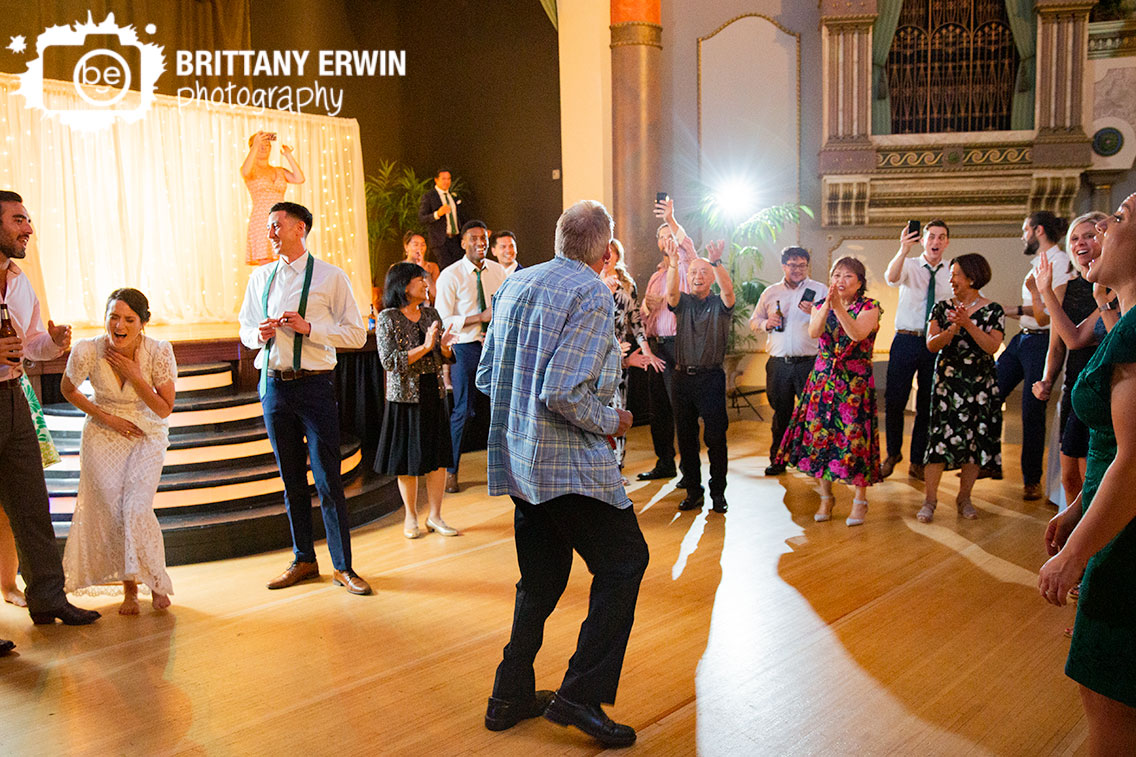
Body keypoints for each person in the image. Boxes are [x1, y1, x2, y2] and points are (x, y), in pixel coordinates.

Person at [477, 200, 648, 748]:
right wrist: (613, 420)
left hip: (523, 466)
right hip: (570, 469)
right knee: (625, 562)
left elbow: (485, 376)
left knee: (542, 579)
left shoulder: (515, 284)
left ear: (558, 240)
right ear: (604, 251)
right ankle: (579, 695)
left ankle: (509, 694)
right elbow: (560, 391)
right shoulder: (592, 293)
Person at [1039, 193, 1136, 755]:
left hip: (1126, 541)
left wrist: (1075, 553)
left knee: (1112, 719)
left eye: (1118, 221)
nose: (1100, 232)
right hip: (1111, 521)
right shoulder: (1125, 323)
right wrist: (1077, 508)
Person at [237, 201, 372, 596]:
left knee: (329, 480)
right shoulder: (260, 278)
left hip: (314, 386)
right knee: (290, 479)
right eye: (269, 227)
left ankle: (343, 567)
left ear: (300, 228)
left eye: (276, 225)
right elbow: (244, 328)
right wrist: (256, 334)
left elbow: (356, 334)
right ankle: (303, 560)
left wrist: (310, 327)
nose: (270, 233)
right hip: (273, 386)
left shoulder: (331, 277)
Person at [0, 190, 100, 638]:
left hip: (12, 397)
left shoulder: (20, 281)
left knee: (32, 503)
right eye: (19, 220)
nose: (29, 229)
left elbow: (33, 344)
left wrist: (53, 341)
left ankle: (48, 598)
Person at [59, 288, 176, 614]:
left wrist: (136, 376)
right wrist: (106, 417)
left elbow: (164, 409)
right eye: (114, 317)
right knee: (114, 512)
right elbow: (67, 389)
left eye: (128, 319)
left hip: (145, 433)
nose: (119, 325)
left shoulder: (158, 352)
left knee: (136, 508)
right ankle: (129, 591)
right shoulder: (87, 350)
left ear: (142, 323)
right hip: (102, 433)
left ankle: (156, 581)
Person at [775, 256, 882, 526]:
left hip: (854, 381)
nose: (840, 281)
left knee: (854, 439)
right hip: (823, 378)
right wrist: (826, 308)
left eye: (847, 276)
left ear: (859, 282)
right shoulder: (821, 304)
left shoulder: (870, 307)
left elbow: (857, 334)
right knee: (820, 437)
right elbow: (814, 331)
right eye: (836, 276)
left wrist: (839, 308)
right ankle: (825, 496)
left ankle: (860, 500)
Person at [1032, 213, 1118, 509]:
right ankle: (1073, 543)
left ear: (1105, 239)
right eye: (1075, 238)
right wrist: (1046, 379)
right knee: (1069, 478)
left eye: (1089, 235)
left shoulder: (1113, 288)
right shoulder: (1065, 288)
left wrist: (1043, 292)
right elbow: (1056, 346)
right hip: (1075, 384)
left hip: (1105, 389)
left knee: (1091, 478)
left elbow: (1076, 338)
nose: (1081, 243)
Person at [374, 262, 459, 539]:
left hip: (432, 392)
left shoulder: (431, 313)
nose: (426, 284)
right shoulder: (388, 317)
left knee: (437, 458)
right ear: (403, 285)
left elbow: (441, 356)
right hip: (404, 397)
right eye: (420, 280)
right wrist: (425, 346)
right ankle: (410, 516)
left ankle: (435, 516)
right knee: (407, 461)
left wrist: (444, 346)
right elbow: (390, 361)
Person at [918, 255, 1004, 523]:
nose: (951, 280)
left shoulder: (994, 310)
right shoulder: (942, 308)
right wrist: (953, 328)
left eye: (956, 274)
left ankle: (964, 498)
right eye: (951, 274)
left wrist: (968, 324)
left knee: (973, 442)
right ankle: (930, 499)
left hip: (980, 383)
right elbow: (932, 345)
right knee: (938, 441)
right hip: (948, 381)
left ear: (972, 277)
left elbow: (992, 346)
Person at [997, 211, 1072, 500]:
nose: (1022, 235)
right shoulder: (1038, 263)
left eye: (1024, 229)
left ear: (1038, 230)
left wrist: (1013, 308)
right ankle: (986, 463)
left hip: (1041, 343)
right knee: (990, 393)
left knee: (1031, 411)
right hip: (1022, 339)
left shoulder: (1060, 263)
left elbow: (1047, 315)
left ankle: (1031, 480)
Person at [433, 220, 506, 493]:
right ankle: (451, 472)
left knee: (500, 410)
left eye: (484, 239)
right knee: (463, 410)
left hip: (495, 346)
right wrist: (479, 318)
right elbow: (443, 318)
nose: (480, 244)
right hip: (465, 347)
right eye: (474, 239)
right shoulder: (450, 275)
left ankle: (502, 469)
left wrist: (495, 326)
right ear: (463, 243)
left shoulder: (498, 271)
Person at [665, 238, 734, 513]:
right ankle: (694, 491)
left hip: (711, 378)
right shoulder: (683, 303)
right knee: (686, 438)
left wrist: (715, 261)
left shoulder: (721, 303)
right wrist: (673, 264)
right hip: (682, 378)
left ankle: (718, 493)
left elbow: (729, 290)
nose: (698, 276)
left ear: (712, 277)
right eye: (693, 272)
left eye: (704, 272)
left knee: (716, 438)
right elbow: (670, 295)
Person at [881, 220, 952, 480]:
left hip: (934, 343)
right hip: (906, 340)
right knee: (894, 400)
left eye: (941, 237)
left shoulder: (952, 271)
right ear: (923, 240)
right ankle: (892, 453)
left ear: (946, 242)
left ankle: (918, 460)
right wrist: (903, 249)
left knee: (927, 404)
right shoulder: (909, 264)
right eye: (931, 236)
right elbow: (890, 278)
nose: (935, 241)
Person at [749, 247, 828, 475]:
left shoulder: (819, 290)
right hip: (779, 364)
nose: (797, 270)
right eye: (792, 265)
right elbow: (754, 321)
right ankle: (778, 459)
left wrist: (816, 311)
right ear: (784, 266)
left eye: (802, 265)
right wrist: (767, 324)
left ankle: (811, 461)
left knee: (812, 414)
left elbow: (830, 322)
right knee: (781, 414)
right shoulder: (771, 292)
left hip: (809, 363)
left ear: (807, 266)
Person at [636, 197, 697, 482]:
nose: (666, 239)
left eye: (669, 234)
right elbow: (642, 314)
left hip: (679, 345)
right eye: (661, 236)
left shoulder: (686, 266)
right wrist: (647, 306)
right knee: (658, 409)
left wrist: (671, 219)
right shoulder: (655, 276)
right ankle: (664, 463)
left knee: (681, 409)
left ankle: (689, 469)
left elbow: (684, 243)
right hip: (656, 347)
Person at [603, 239, 663, 473]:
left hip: (620, 359)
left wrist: (646, 351)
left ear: (618, 256)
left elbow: (636, 322)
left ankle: (617, 468)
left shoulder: (626, 288)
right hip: (596, 358)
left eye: (613, 253)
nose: (608, 257)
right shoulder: (589, 283)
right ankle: (599, 470)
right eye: (604, 253)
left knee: (619, 413)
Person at [241, 130, 304, 266]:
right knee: (267, 266)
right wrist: (256, 144)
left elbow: (299, 178)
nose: (264, 148)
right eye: (260, 145)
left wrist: (288, 155)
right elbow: (245, 171)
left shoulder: (279, 171)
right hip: (262, 220)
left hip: (282, 220)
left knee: (286, 263)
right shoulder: (250, 170)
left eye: (267, 145)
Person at [417, 168, 465, 270]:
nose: (446, 182)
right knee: (446, 270)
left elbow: (461, 218)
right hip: (440, 241)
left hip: (456, 239)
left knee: (459, 269)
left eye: (448, 179)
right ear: (436, 180)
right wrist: (437, 214)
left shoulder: (453, 196)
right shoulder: (429, 196)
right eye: (443, 179)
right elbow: (422, 218)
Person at [401, 231, 441, 303]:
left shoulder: (432, 267)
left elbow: (437, 294)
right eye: (416, 245)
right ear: (406, 247)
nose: (420, 248)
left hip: (426, 308)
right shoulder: (398, 268)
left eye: (423, 245)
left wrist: (424, 273)